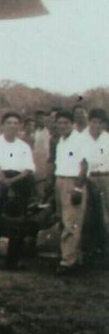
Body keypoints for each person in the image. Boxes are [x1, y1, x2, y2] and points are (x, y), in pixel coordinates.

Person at [0, 112, 35, 269]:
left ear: (19, 127)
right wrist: (4, 182)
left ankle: (12, 262)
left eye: (16, 123)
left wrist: (12, 183)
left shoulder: (23, 146)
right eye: (9, 122)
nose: (12, 126)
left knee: (17, 223)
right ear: (2, 125)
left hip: (19, 183)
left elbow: (27, 170)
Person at [52, 109, 92, 274]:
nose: (62, 126)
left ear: (72, 124)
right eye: (59, 123)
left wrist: (77, 187)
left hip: (73, 181)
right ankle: (74, 257)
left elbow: (84, 165)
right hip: (60, 180)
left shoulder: (81, 139)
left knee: (71, 222)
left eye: (66, 123)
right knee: (63, 220)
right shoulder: (61, 140)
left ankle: (68, 261)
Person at [85, 109, 109, 256]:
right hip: (87, 178)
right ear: (89, 122)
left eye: (100, 123)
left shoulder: (107, 138)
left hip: (106, 178)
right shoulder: (81, 138)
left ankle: (105, 248)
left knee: (105, 214)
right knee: (88, 215)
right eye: (94, 121)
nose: (97, 125)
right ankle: (90, 248)